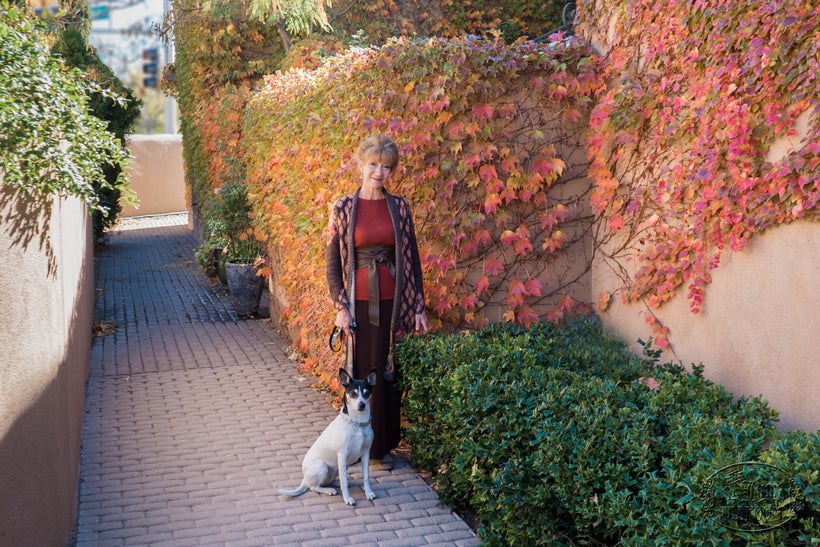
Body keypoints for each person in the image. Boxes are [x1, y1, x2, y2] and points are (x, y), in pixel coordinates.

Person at [326, 134, 428, 470]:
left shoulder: (399, 207)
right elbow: (332, 262)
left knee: (387, 375)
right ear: (360, 164)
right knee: (361, 373)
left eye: (386, 167)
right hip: (358, 306)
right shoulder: (343, 207)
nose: (379, 172)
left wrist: (418, 306)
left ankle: (382, 447)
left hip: (392, 305)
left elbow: (410, 257)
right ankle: (358, 447)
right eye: (373, 164)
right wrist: (341, 306)